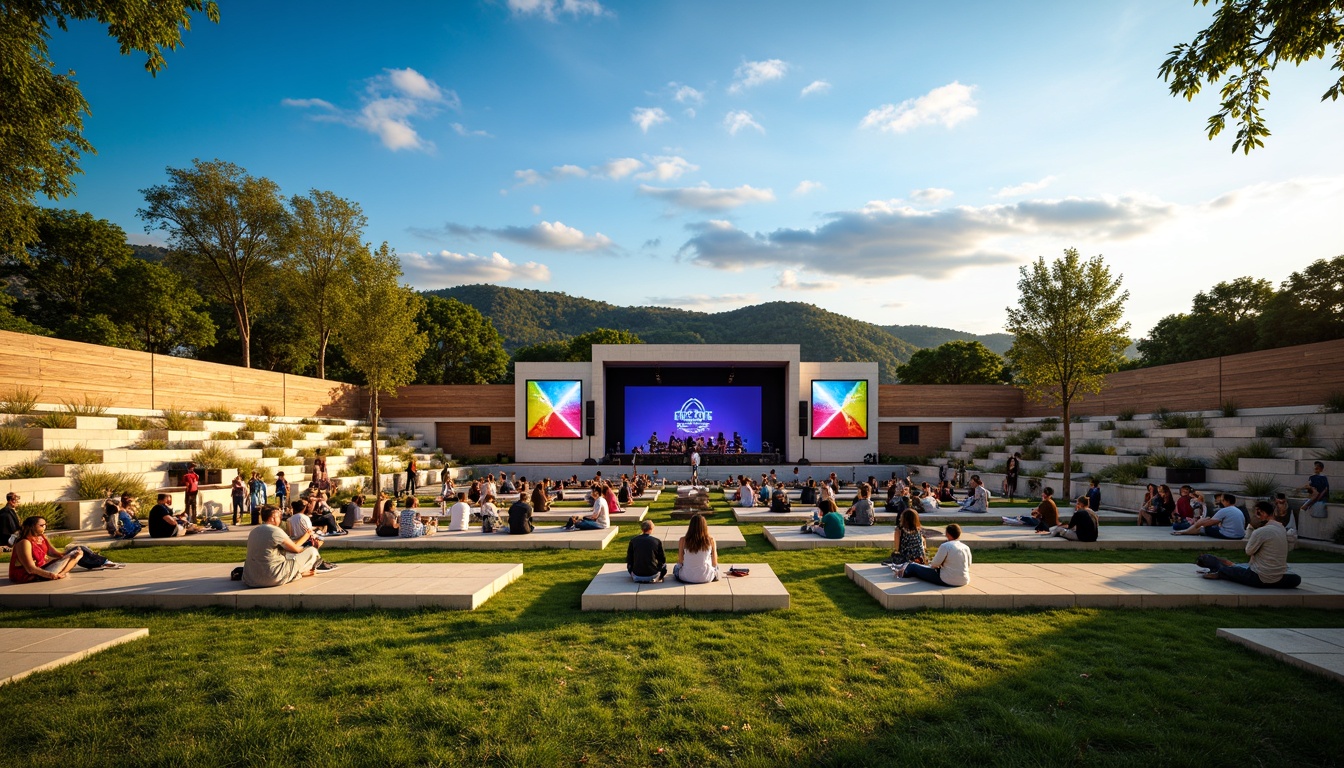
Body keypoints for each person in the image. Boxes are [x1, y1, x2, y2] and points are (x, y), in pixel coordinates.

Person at [1198, 501, 1301, 588]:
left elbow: (1249, 551)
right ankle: (1225, 565)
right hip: (1278, 577)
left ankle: (1218, 569)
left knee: (1229, 570)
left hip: (1259, 577)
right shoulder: (1281, 528)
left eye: (1254, 514)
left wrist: (1251, 529)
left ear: (1261, 513)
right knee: (1296, 579)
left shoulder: (1261, 531)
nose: (1252, 517)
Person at [9, 516, 123, 582]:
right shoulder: (24, 542)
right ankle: (104, 562)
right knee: (79, 551)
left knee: (78, 551)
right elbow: (30, 568)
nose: (45, 527)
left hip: (44, 569)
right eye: (42, 525)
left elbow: (53, 552)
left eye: (45, 525)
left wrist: (68, 555)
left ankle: (61, 573)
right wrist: (50, 574)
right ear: (32, 526)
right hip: (28, 575)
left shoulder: (42, 537)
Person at [242, 505, 332, 587]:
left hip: (251, 578)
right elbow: (296, 549)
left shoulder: (254, 531)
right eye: (279, 516)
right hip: (272, 577)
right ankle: (299, 573)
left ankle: (297, 573)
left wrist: (306, 536)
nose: (281, 519)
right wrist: (313, 545)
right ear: (273, 518)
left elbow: (290, 546)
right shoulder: (274, 531)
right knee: (312, 551)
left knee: (288, 556)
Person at [893, 524, 971, 587]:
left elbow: (934, 565)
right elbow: (968, 564)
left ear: (948, 534)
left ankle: (902, 572)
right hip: (964, 580)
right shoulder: (966, 547)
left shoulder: (946, 546)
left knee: (914, 566)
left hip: (947, 579)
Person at [1174, 492, 1246, 538]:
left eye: (1222, 500)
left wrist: (1200, 522)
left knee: (1204, 528)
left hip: (1230, 535)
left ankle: (1185, 532)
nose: (1221, 502)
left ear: (1227, 501)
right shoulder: (1238, 510)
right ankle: (1185, 531)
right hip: (1240, 535)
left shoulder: (1224, 510)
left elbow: (1208, 523)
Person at [674, 514, 719, 583]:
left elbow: (680, 560)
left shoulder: (683, 540)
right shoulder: (711, 540)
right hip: (706, 577)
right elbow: (714, 563)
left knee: (676, 568)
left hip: (686, 577)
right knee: (716, 568)